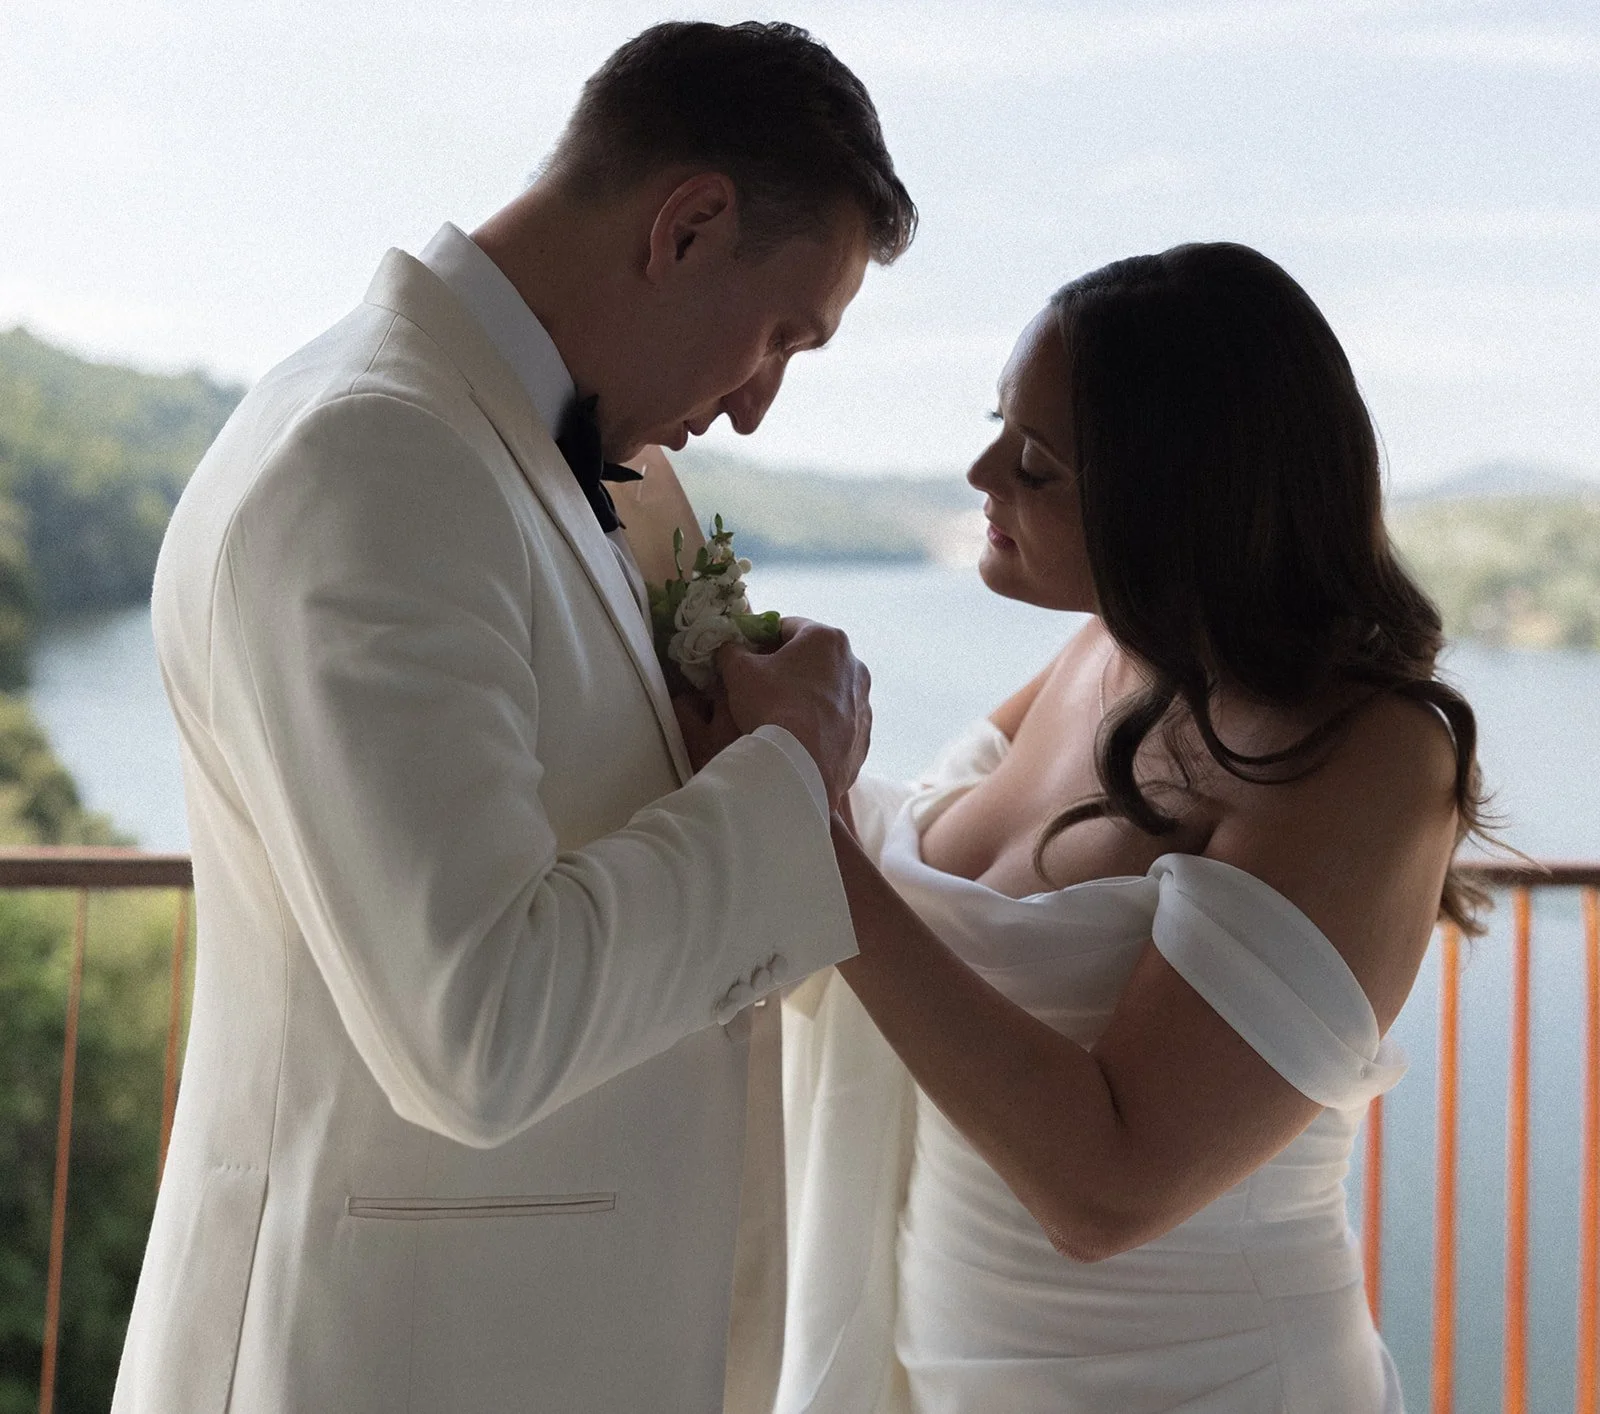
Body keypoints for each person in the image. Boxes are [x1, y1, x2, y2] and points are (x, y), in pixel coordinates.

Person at [112, 21, 915, 1414]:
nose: (759, 406)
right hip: (388, 1356)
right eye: (782, 332)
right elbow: (478, 1024)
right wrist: (785, 769)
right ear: (688, 223)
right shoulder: (374, 455)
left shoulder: (560, 466)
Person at [720, 243, 1487, 1413]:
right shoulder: (1105, 651)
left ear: (1184, 494)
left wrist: (794, 831)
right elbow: (906, 853)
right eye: (996, 427)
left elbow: (1111, 1187)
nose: (979, 470)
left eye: (1037, 464)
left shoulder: (1366, 752)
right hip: (950, 1371)